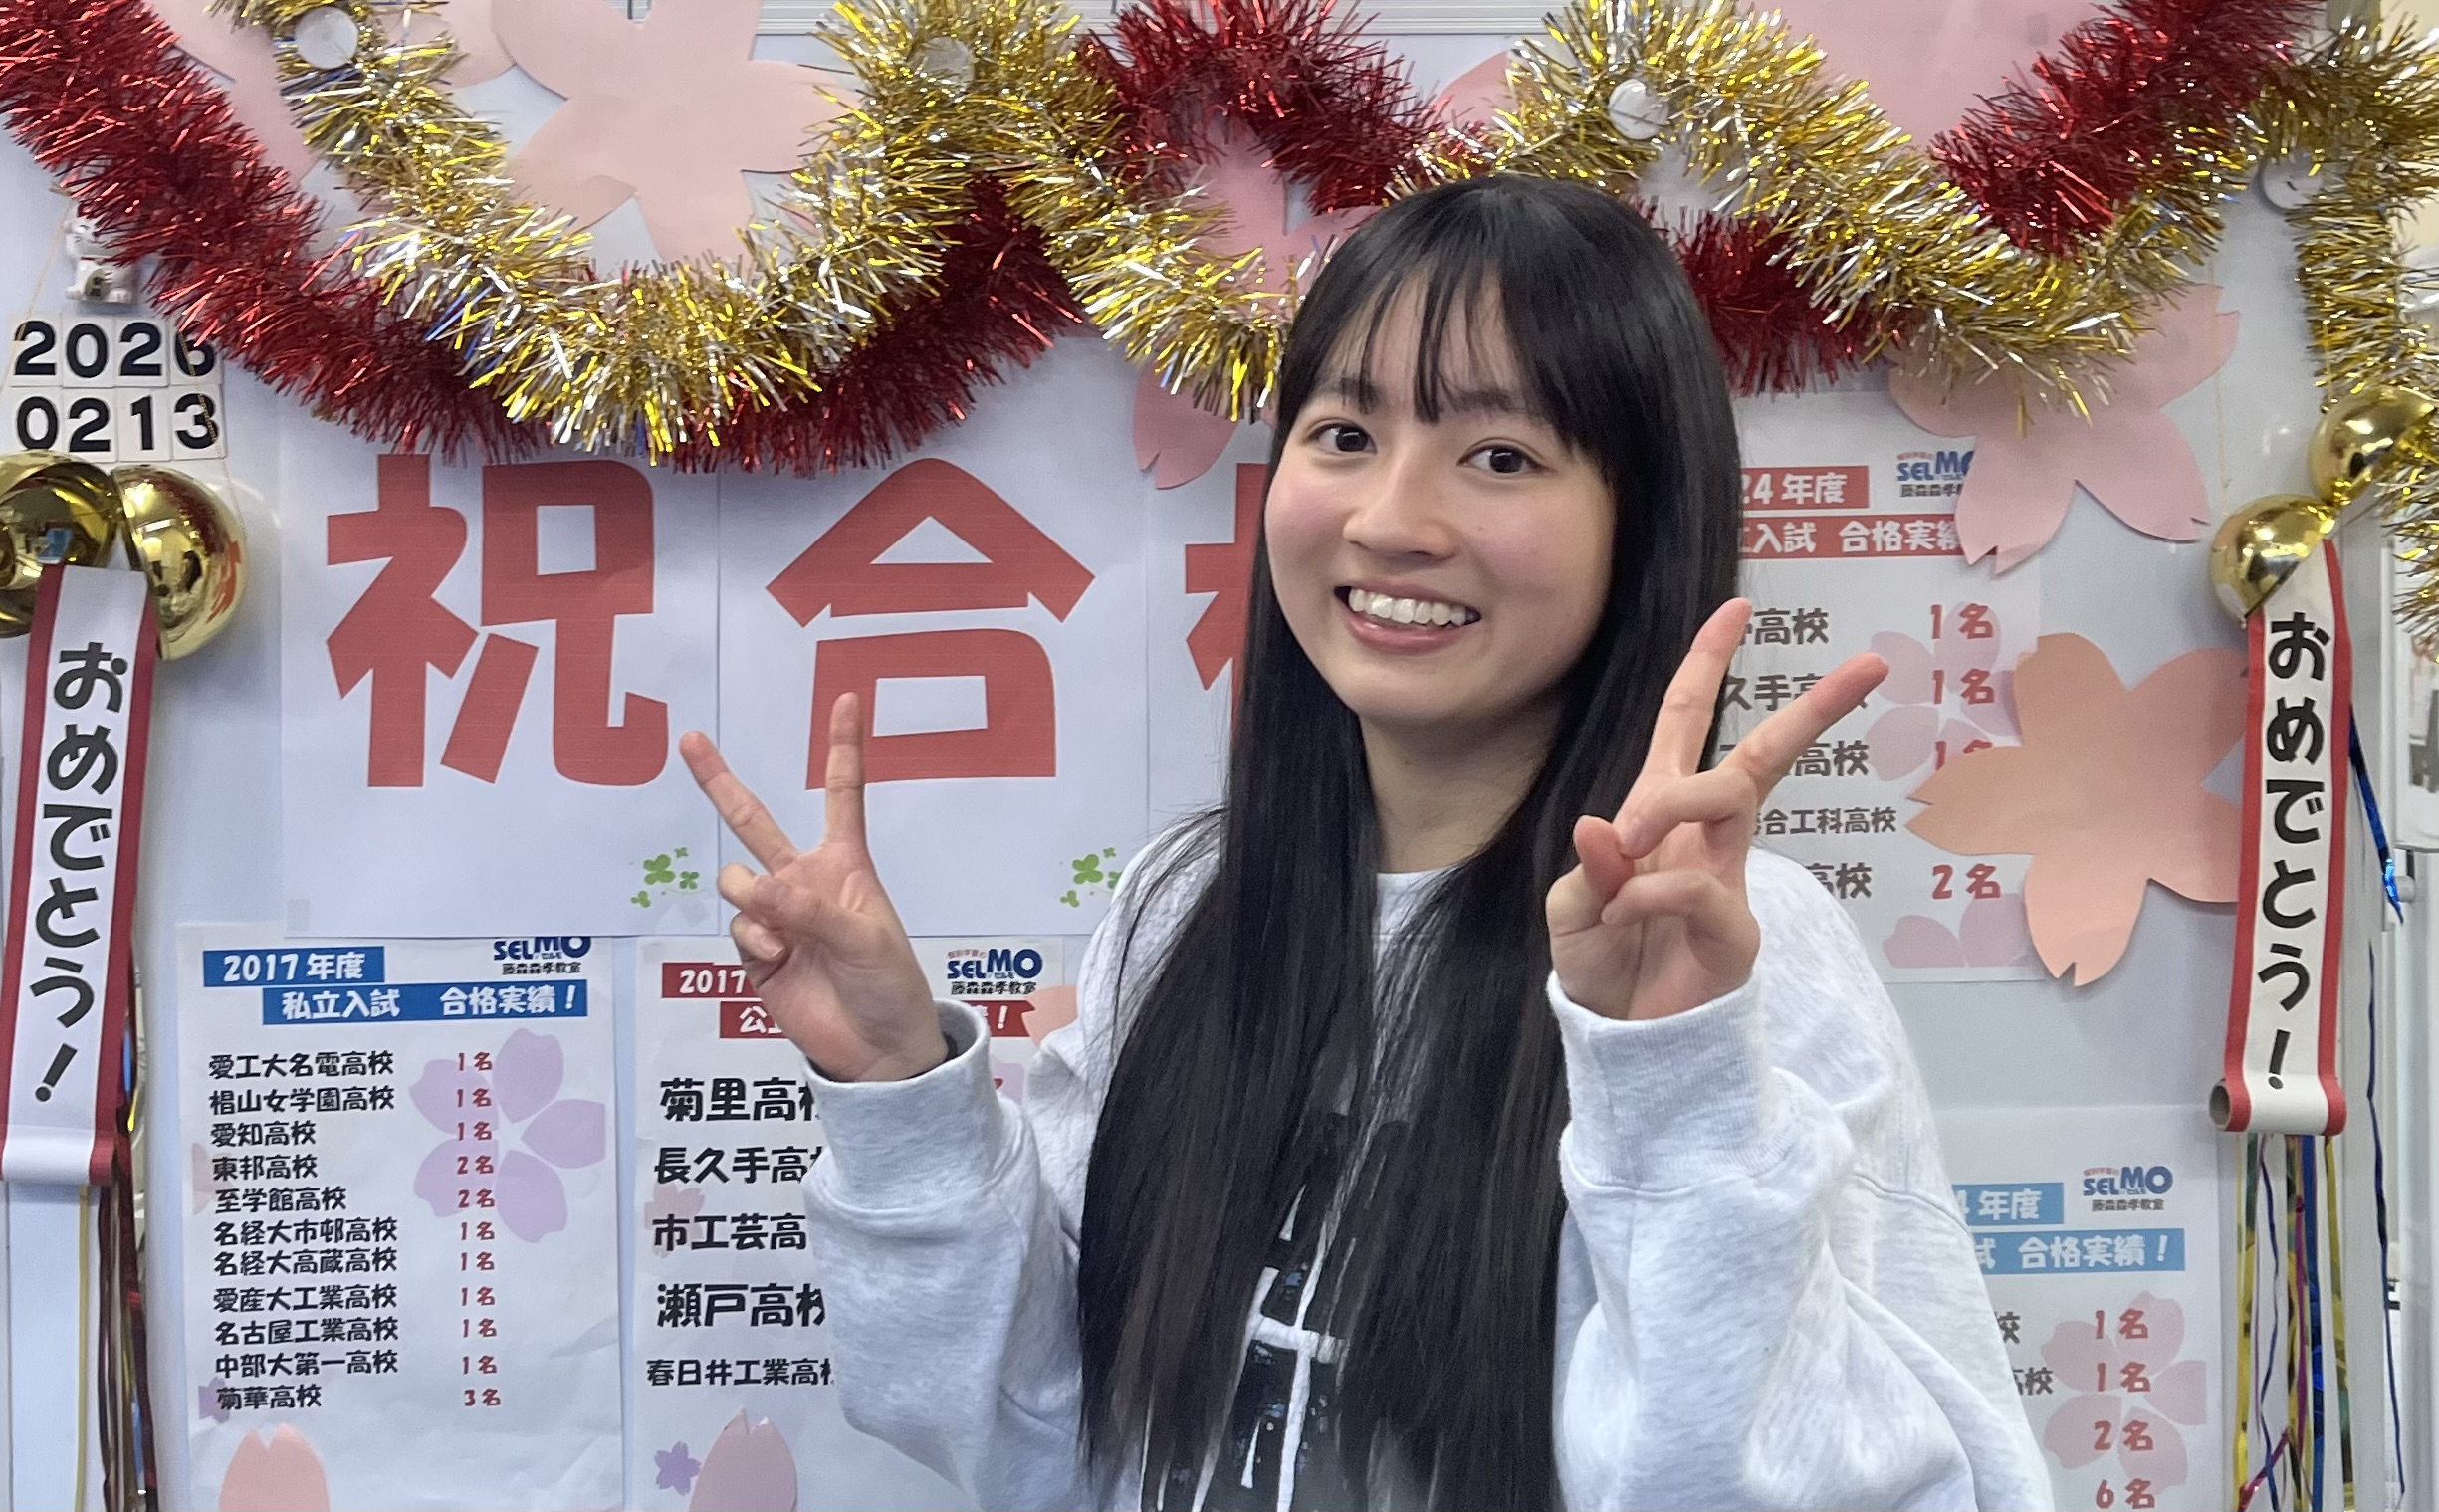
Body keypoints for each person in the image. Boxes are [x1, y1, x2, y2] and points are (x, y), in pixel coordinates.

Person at [681, 175, 2051, 1511]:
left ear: (1639, 527)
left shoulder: (1731, 951)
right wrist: (897, 1087)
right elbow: (1039, 1443)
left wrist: (1673, 1083)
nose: (1390, 521)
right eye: (1343, 433)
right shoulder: (1188, 904)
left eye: (1500, 456)